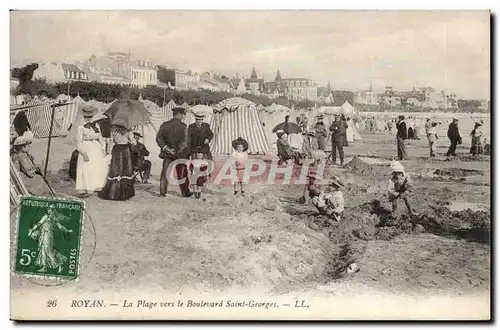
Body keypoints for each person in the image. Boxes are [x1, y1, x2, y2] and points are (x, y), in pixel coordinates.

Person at [156, 107, 192, 197]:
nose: (184, 116)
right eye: (183, 114)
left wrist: (167, 148)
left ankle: (162, 191)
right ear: (179, 114)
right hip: (180, 154)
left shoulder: (165, 125)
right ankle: (185, 192)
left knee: (165, 172)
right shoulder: (183, 126)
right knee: (182, 173)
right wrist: (177, 151)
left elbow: (158, 138)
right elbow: (185, 141)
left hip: (167, 153)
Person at [27, 204, 72, 273]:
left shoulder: (53, 218)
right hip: (44, 234)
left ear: (52, 210)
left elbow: (60, 226)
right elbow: (39, 224)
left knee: (47, 249)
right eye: (48, 209)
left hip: (48, 235)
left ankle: (59, 264)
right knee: (44, 249)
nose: (48, 210)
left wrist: (67, 230)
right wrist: (32, 230)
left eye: (50, 209)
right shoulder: (48, 217)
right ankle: (45, 267)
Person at [75, 105, 108, 197]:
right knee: (86, 168)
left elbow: (100, 138)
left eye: (90, 117)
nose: (88, 119)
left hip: (96, 148)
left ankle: (96, 186)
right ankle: (85, 188)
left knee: (97, 167)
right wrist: (83, 153)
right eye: (86, 117)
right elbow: (79, 143)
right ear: (83, 117)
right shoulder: (80, 128)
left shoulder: (96, 126)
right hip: (86, 148)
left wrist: (103, 148)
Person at [98, 125, 136, 201]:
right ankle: (124, 193)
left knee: (116, 169)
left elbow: (111, 141)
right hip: (125, 150)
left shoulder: (113, 128)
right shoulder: (128, 129)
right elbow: (133, 142)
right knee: (125, 170)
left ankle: (113, 193)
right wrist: (132, 141)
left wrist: (109, 152)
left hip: (116, 149)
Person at [10, 131, 53, 196]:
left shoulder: (15, 155)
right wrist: (36, 168)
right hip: (22, 180)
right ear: (23, 147)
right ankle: (44, 195)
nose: (29, 147)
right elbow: (30, 172)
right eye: (28, 145)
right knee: (39, 179)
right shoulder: (22, 156)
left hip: (17, 177)